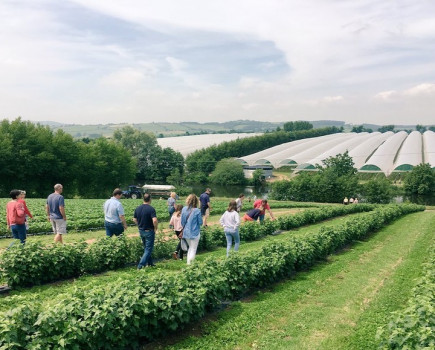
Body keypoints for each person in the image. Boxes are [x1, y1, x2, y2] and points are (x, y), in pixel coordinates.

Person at [134, 193, 158, 269]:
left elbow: (134, 219)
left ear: (143, 199)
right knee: (148, 249)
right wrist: (155, 228)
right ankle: (140, 266)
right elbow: (154, 220)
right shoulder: (151, 209)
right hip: (149, 231)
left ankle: (150, 263)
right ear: (150, 199)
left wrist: (139, 225)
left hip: (141, 230)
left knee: (146, 248)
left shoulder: (137, 208)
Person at [181, 194, 203, 264]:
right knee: (193, 249)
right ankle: (190, 265)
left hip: (186, 232)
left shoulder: (184, 209)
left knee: (190, 249)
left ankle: (188, 264)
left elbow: (182, 222)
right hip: (195, 232)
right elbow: (200, 222)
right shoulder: (197, 211)